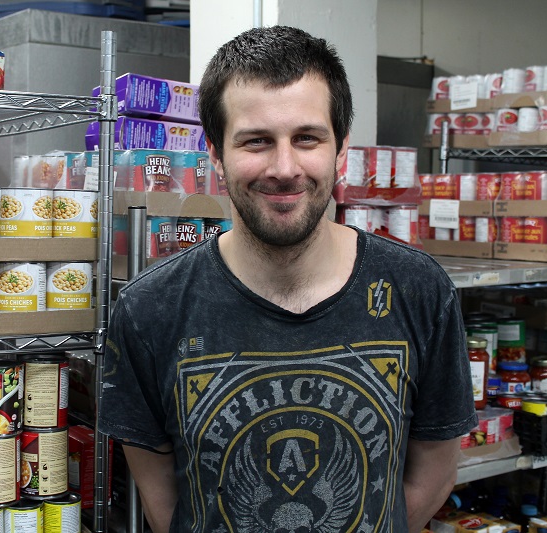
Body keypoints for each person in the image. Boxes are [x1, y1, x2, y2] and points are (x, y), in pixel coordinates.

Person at [99, 25, 476, 533]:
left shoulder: (419, 291)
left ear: (341, 149)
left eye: (307, 138)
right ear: (215, 153)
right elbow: (163, 499)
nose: (284, 167)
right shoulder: (150, 310)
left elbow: (434, 474)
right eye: (256, 141)